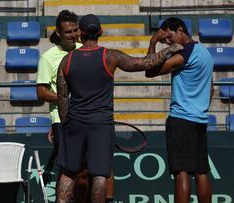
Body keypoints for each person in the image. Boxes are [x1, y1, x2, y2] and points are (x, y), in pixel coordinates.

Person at [56, 14, 183, 203]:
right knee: (99, 175)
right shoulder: (111, 56)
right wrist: (168, 50)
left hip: (74, 123)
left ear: (80, 34)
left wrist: (67, 122)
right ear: (100, 32)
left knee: (68, 174)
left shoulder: (66, 61)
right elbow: (144, 63)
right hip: (101, 124)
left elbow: (62, 99)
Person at [145, 17, 213, 203]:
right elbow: (211, 88)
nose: (168, 41)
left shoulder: (186, 53)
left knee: (181, 172)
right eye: (165, 39)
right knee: (201, 171)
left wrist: (153, 42)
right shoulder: (205, 53)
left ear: (181, 30)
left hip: (182, 119)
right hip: (200, 119)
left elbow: (149, 70)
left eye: (169, 36)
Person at [36, 10, 94, 203]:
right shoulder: (48, 58)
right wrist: (67, 99)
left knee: (85, 172)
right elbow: (42, 93)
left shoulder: (85, 50)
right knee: (69, 170)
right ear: (58, 33)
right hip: (63, 121)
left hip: (88, 119)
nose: (73, 35)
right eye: (68, 32)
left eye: (75, 30)